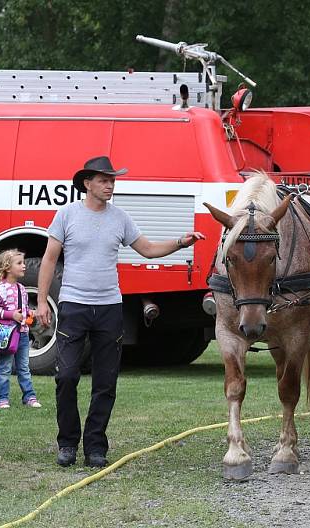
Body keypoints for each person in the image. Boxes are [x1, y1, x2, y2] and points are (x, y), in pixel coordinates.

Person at [37, 156, 205, 468]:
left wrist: (181, 242)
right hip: (73, 306)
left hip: (110, 308)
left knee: (106, 381)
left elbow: (148, 249)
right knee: (67, 376)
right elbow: (48, 259)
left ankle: (96, 447)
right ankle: (67, 444)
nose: (110, 184)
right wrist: (42, 302)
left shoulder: (120, 218)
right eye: (104, 179)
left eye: (112, 180)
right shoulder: (66, 215)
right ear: (87, 183)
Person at [0, 249, 41, 410]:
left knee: (24, 367)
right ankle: (2, 398)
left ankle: (29, 396)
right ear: (7, 267)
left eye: (23, 263)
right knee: (4, 367)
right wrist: (11, 315)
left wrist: (29, 314)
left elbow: (23, 310)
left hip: (23, 334)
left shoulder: (22, 289)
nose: (24, 266)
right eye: (19, 263)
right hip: (7, 336)